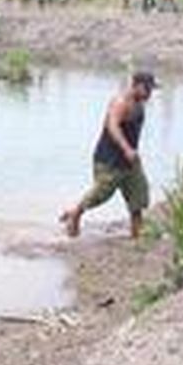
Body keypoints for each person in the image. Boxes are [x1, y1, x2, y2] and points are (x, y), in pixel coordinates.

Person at [60, 72, 157, 240]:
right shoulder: (120, 102)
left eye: (151, 89)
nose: (150, 94)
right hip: (109, 160)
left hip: (130, 162)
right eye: (147, 89)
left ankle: (137, 238)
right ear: (137, 86)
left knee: (138, 199)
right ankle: (75, 213)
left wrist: (132, 153)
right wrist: (127, 149)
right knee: (101, 194)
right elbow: (112, 126)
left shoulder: (140, 105)